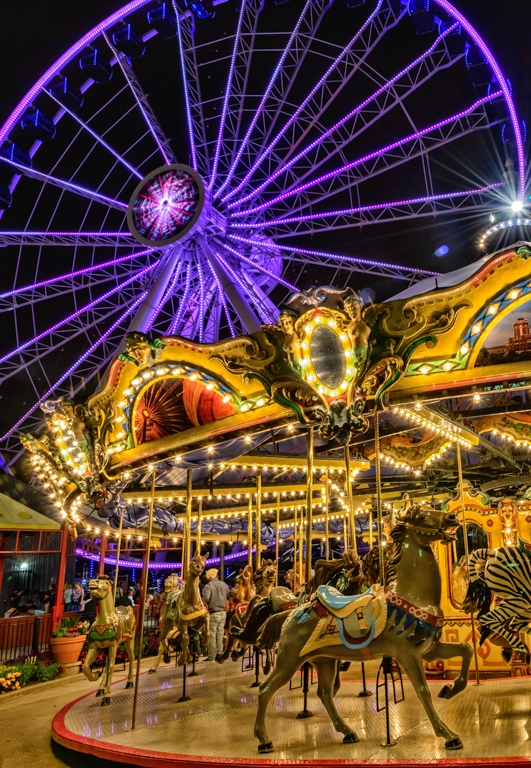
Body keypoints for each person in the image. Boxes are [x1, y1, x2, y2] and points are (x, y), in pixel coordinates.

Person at [202, 568, 230, 662]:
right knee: (220, 633)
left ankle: (212, 656)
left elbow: (205, 599)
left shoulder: (208, 586)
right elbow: (229, 597)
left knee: (212, 634)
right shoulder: (224, 584)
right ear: (216, 576)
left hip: (214, 613)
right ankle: (219, 653)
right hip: (223, 612)